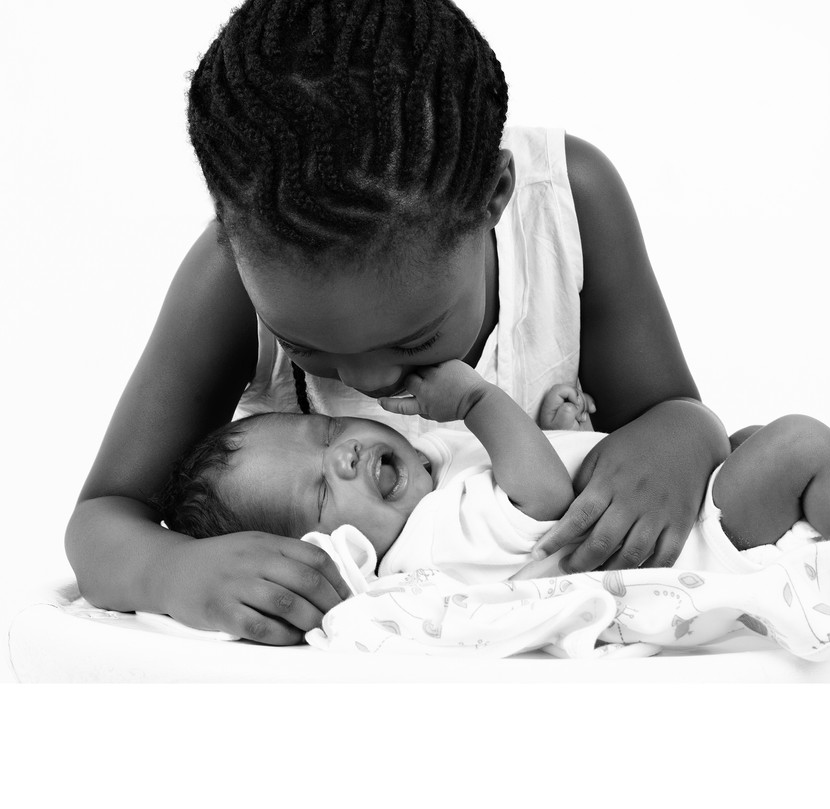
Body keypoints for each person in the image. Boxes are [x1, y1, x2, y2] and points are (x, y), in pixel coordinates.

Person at [66, 0, 737, 644]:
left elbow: (679, 414)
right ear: (232, 241)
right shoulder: (230, 282)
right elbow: (101, 519)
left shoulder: (567, 206)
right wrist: (174, 572)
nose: (372, 378)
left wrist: (671, 445)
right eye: (305, 348)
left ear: (494, 198)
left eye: (414, 340)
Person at [154, 361, 830, 609]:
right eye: (323, 494)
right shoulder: (428, 541)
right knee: (800, 444)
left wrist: (557, 419)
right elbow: (542, 498)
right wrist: (482, 400)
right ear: (335, 546)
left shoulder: (433, 472)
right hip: (698, 542)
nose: (339, 458)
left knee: (754, 441)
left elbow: (552, 460)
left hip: (683, 495)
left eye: (327, 433)